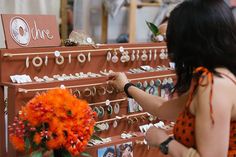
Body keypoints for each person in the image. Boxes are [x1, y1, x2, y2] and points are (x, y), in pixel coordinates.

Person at [108, 0, 236, 156]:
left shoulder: (215, 86)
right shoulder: (210, 78)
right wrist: (127, 87)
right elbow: (164, 108)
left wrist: (164, 141)